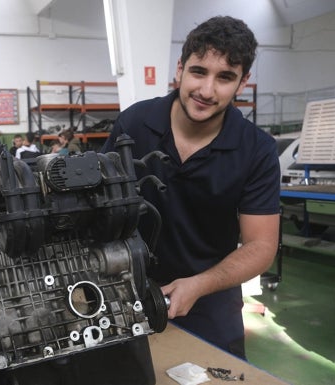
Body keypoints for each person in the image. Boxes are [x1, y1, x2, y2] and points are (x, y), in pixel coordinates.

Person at [101, 16, 280, 359]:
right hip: (124, 286)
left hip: (210, 294)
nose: (206, 91)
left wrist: (198, 284)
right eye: (199, 72)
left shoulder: (256, 149)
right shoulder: (134, 124)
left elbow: (261, 245)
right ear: (180, 69)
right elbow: (96, 204)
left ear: (242, 83)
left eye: (225, 77)